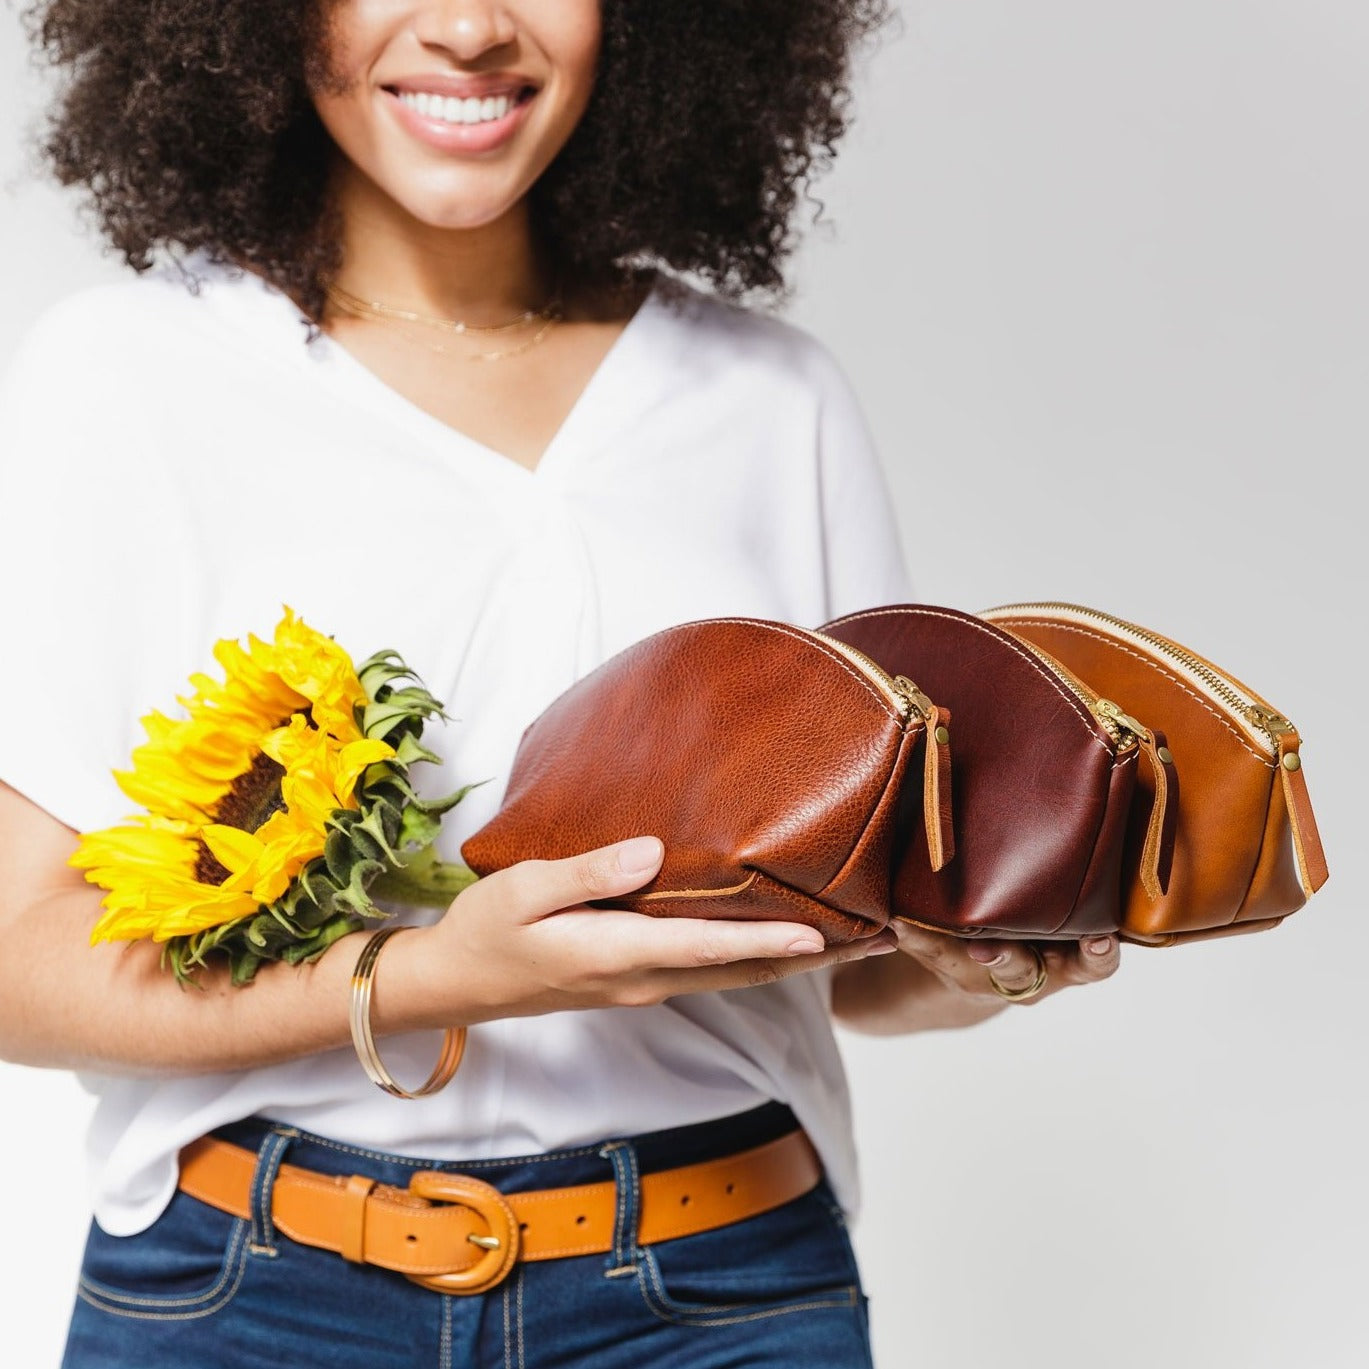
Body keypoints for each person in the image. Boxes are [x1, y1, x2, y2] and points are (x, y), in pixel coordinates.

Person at [0, 2, 1121, 1365]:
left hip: (720, 1295)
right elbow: (17, 960)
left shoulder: (772, 401)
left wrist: (981, 955)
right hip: (255, 1297)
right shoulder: (125, 378)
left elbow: (846, 961)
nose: (471, 26)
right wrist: (424, 977)